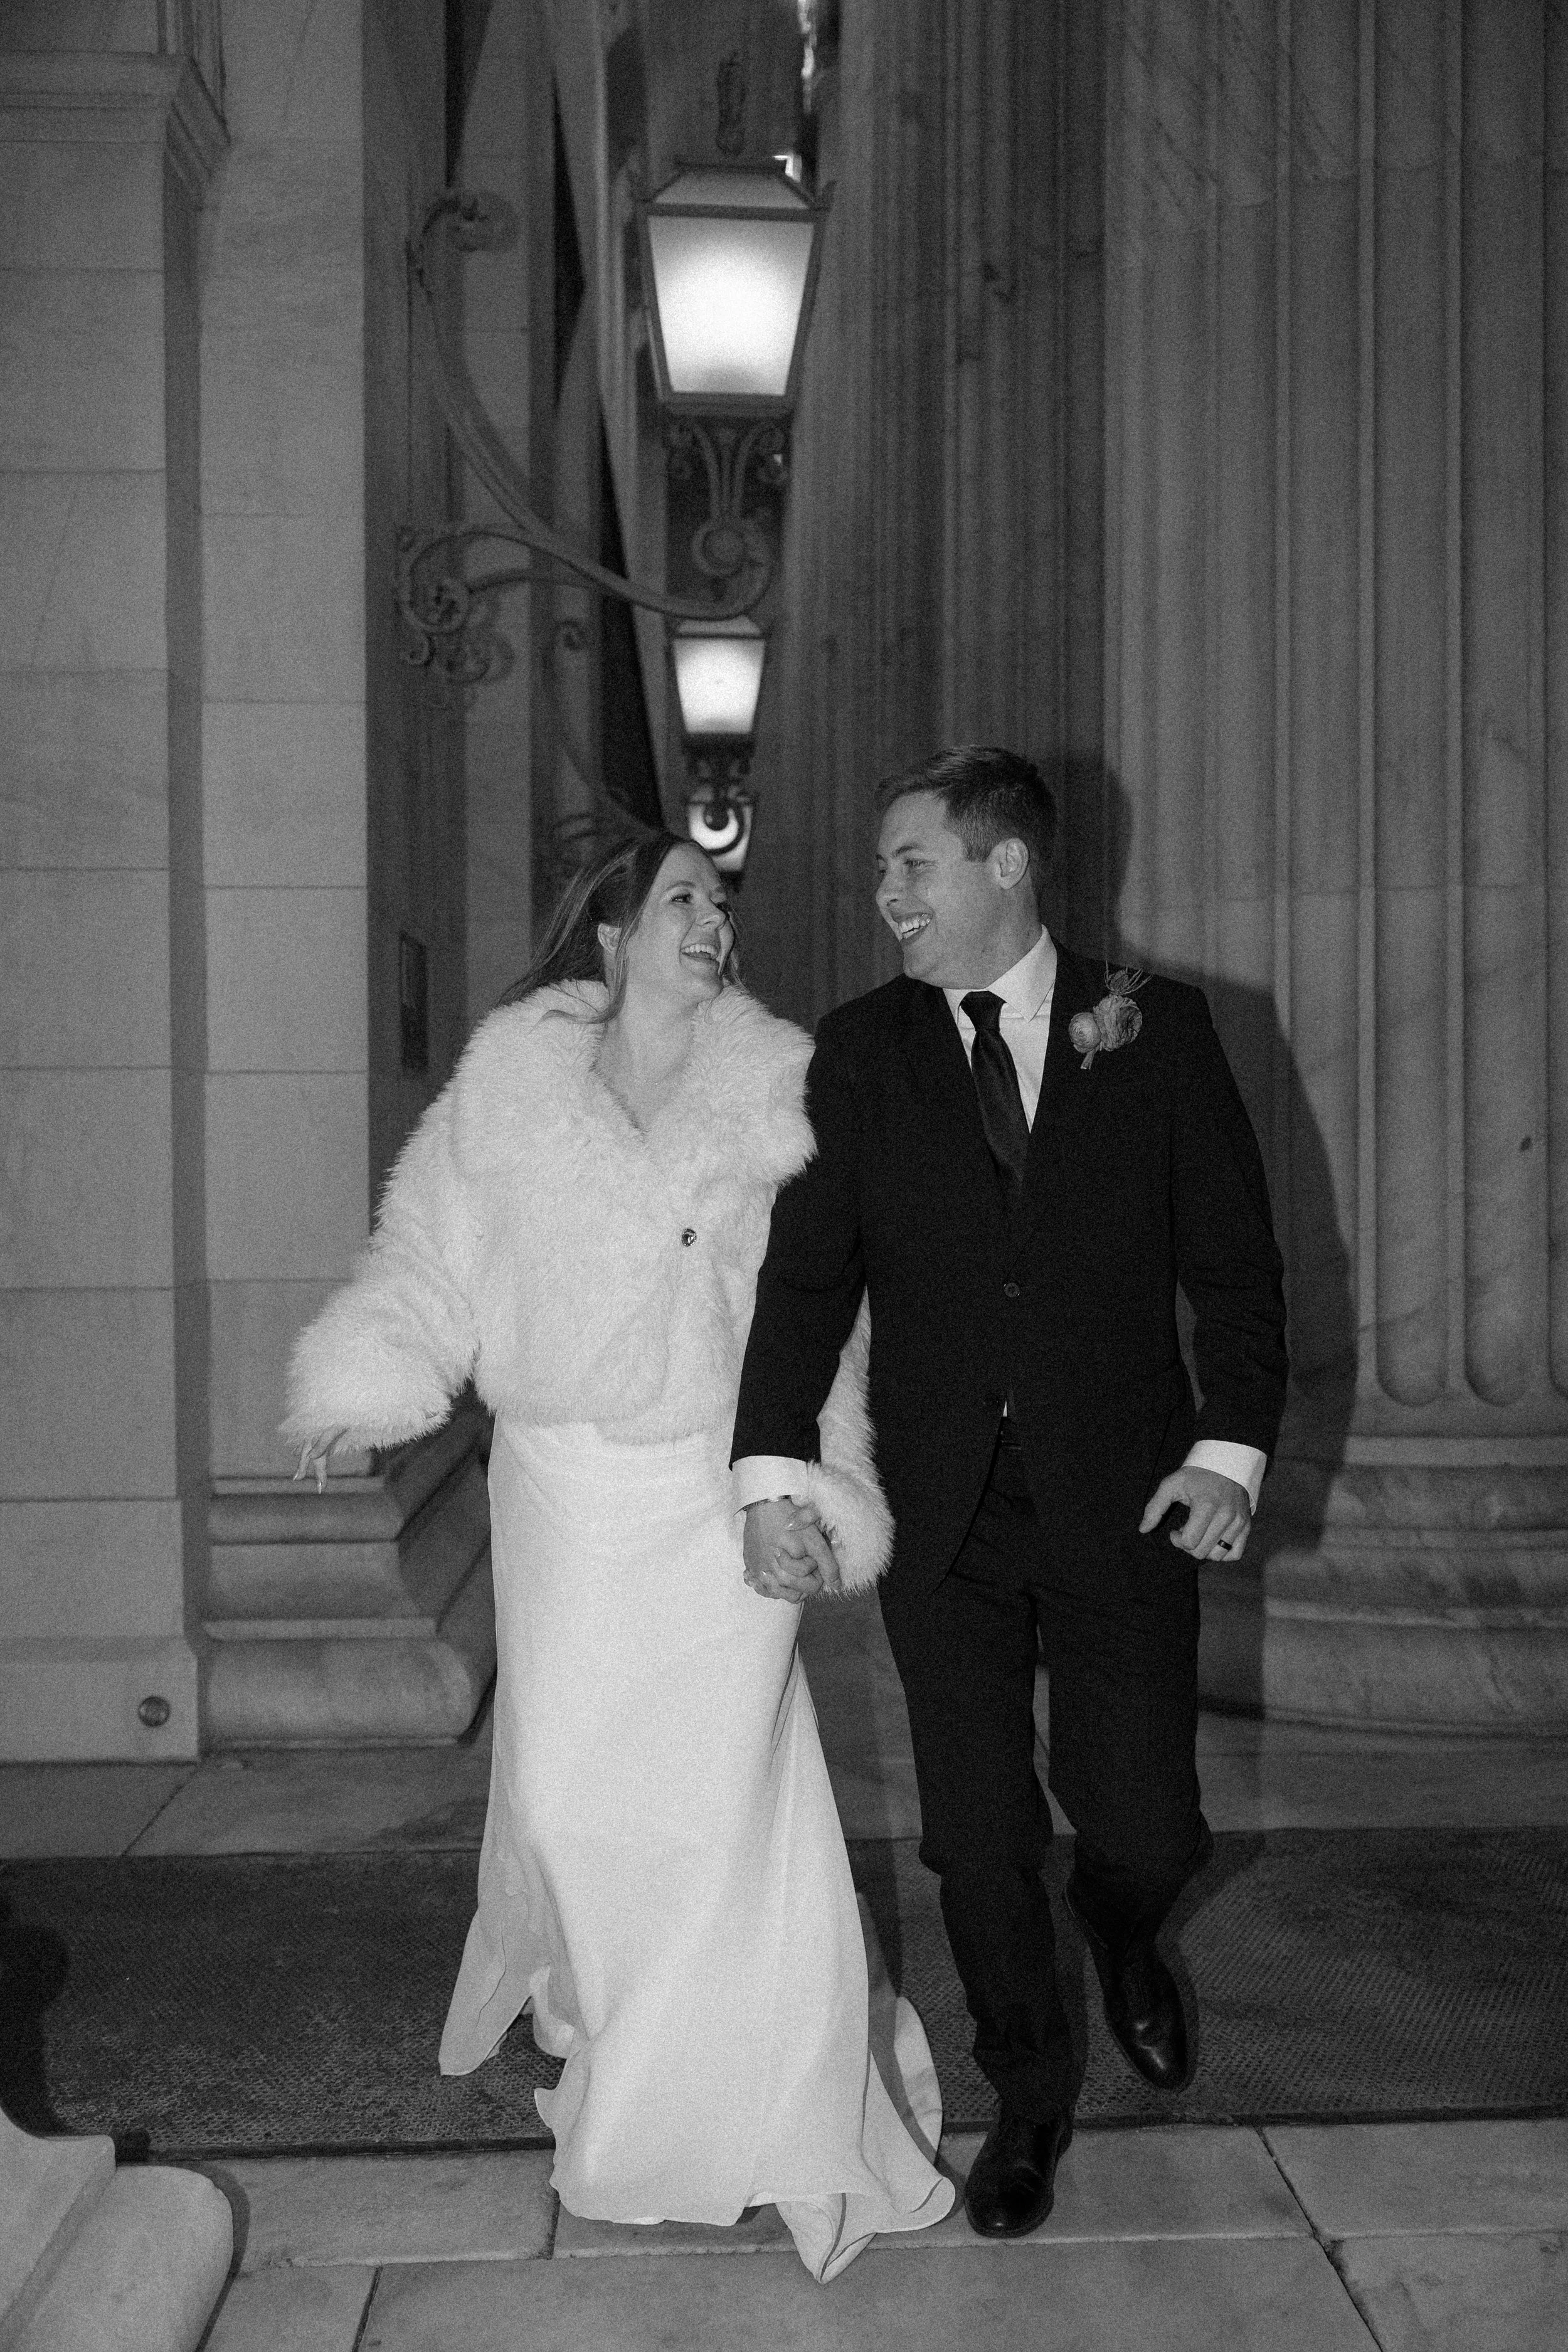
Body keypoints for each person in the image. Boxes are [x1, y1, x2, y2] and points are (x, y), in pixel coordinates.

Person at [281, 832, 954, 2281]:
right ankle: (624, 2018)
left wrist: (814, 1482)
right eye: (680, 901)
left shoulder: (779, 1087)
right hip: (566, 1495)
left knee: (722, 1818)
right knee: (579, 1804)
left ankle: (731, 2109)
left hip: (720, 1495)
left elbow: (820, 1315)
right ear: (605, 933)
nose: (712, 923)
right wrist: (360, 1386)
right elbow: (423, 1260)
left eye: (722, 903)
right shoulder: (509, 1085)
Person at [733, 746, 1288, 2238]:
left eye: (907, 863)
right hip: (943, 1511)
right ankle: (1026, 2103)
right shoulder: (857, 1051)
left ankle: (1124, 1928)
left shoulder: (1157, 1031)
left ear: (1003, 866)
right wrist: (766, 1470)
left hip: (1125, 1498)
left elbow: (1233, 1269)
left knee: (1145, 1823)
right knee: (974, 1837)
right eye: (878, 869)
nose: (882, 894)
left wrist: (1224, 1454)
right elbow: (806, 1278)